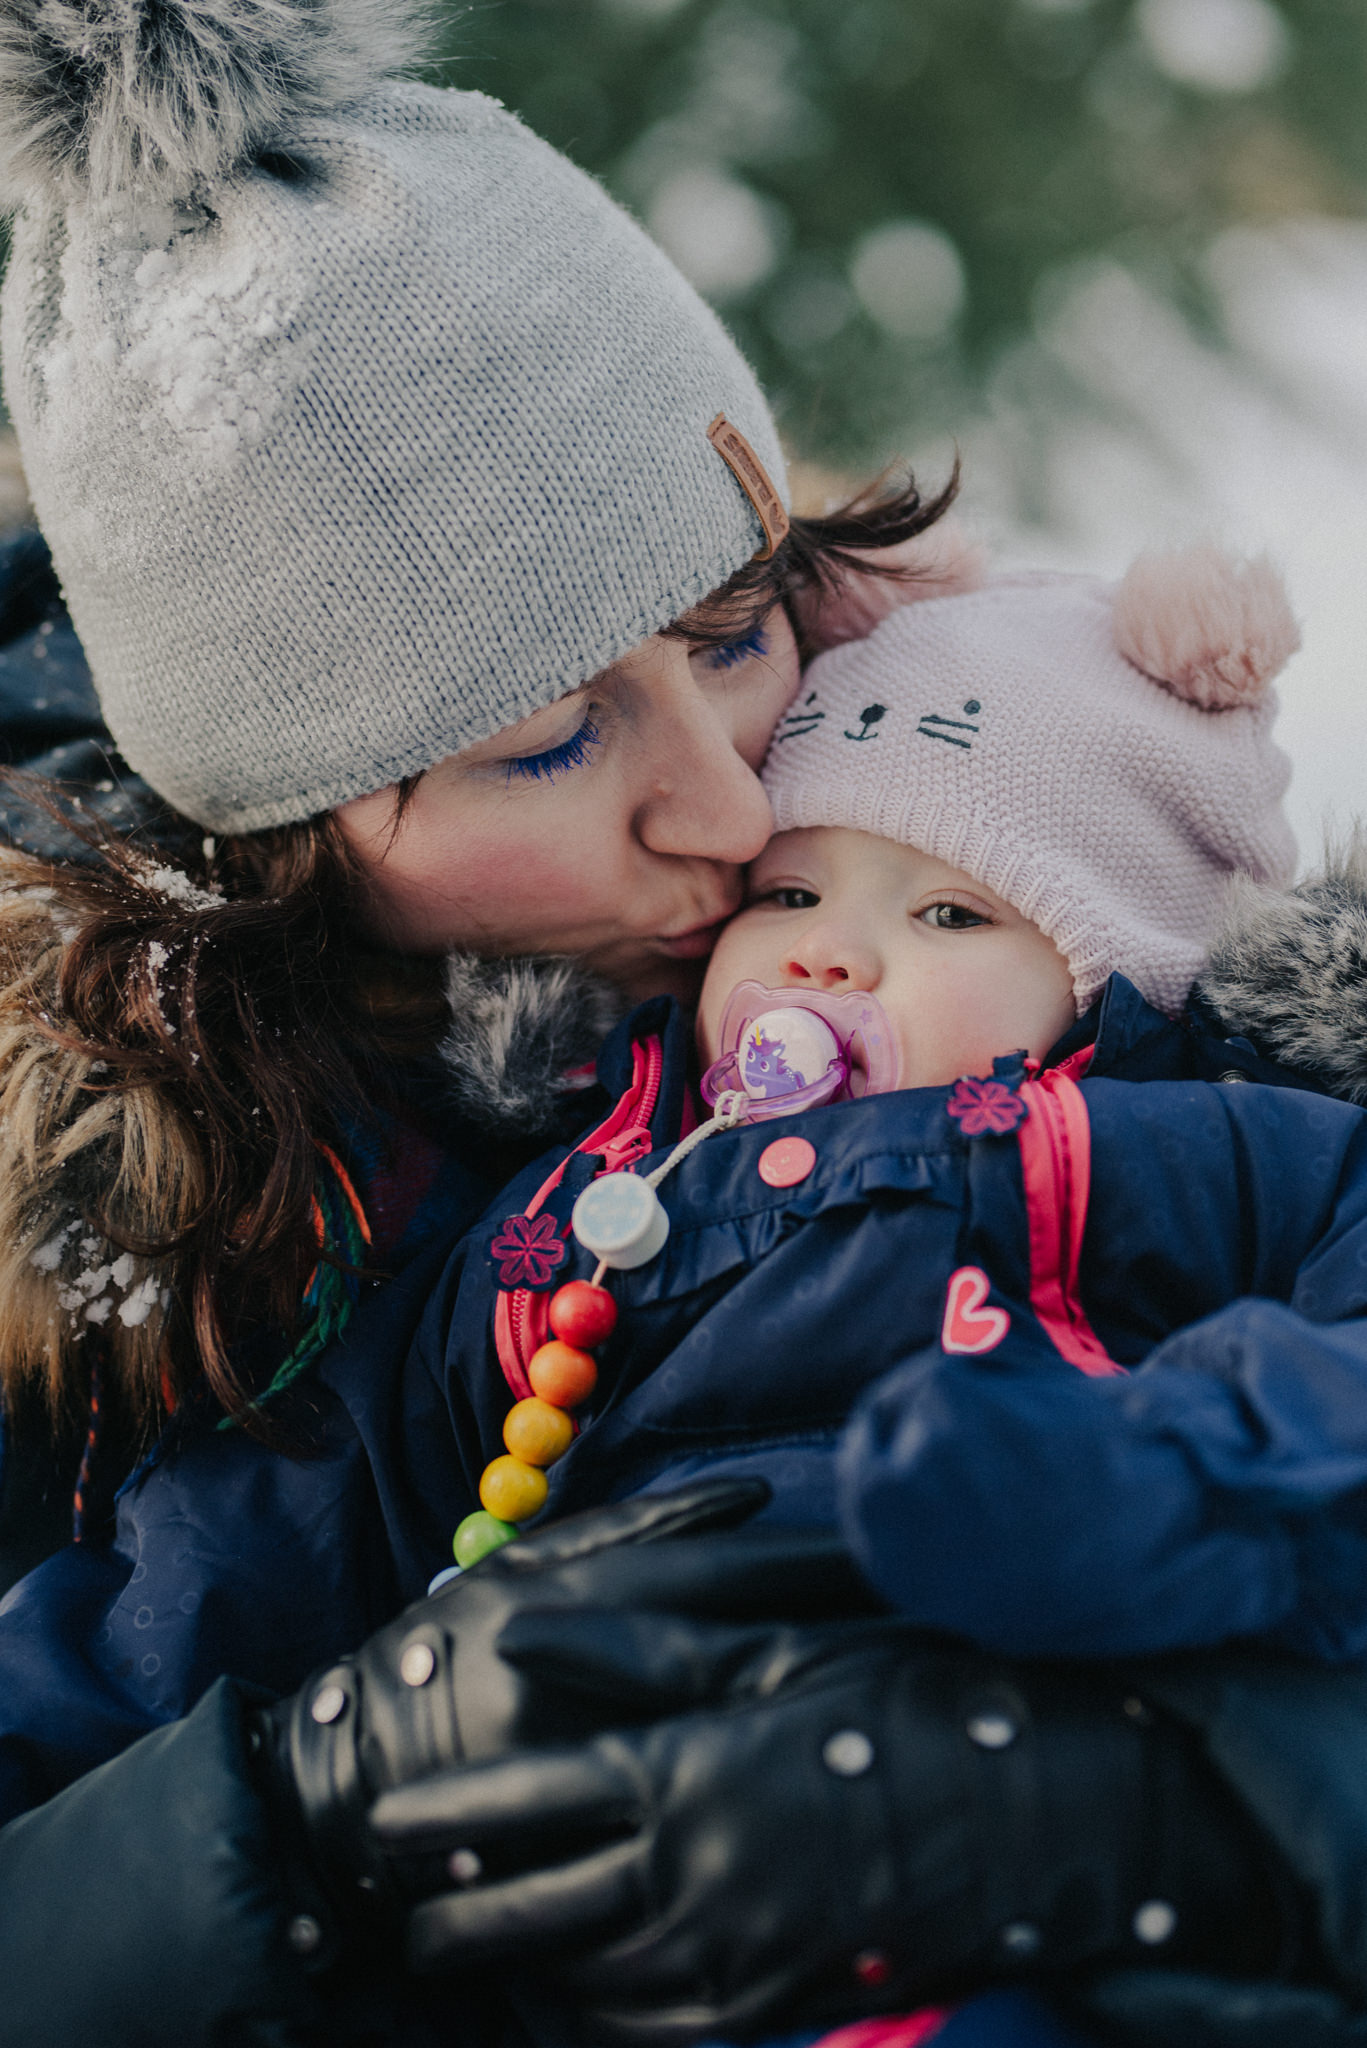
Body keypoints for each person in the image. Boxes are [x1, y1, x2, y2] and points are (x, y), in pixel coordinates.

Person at [0, 3, 1363, 2045]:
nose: (733, 811)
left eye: (732, 629)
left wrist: (1193, 1806)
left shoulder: (1092, 937)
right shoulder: (146, 1261)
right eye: (549, 739)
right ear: (283, 842)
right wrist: (282, 1817)